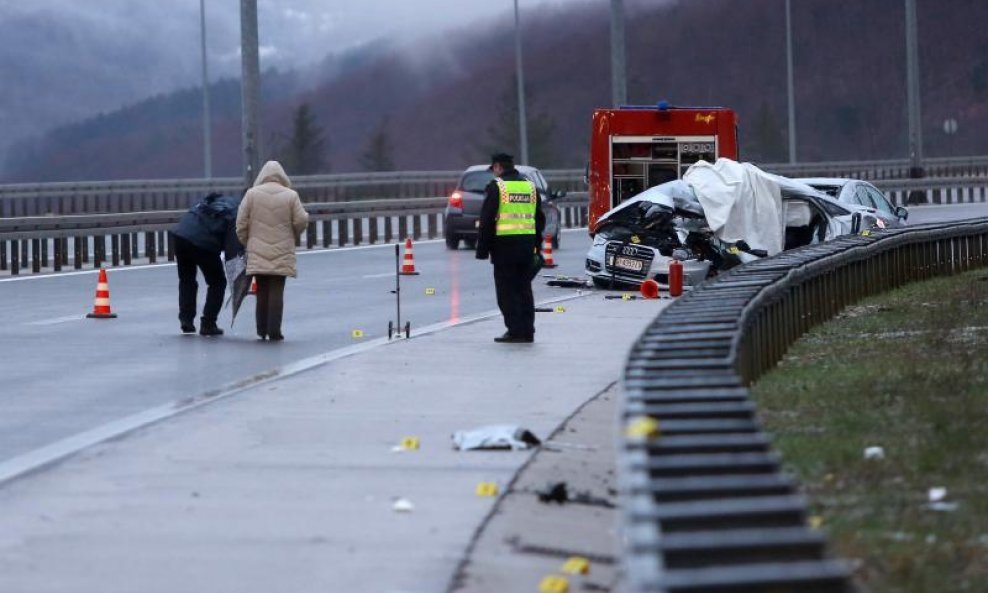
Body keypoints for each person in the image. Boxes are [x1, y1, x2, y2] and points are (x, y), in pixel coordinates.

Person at [475, 152, 545, 343]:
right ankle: (528, 330)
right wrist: (537, 246)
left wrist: (482, 249)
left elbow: (487, 220)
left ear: (498, 167)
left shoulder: (498, 187)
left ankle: (515, 330)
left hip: (504, 248)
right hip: (527, 246)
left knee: (507, 291)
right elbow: (539, 219)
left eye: (494, 169)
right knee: (524, 289)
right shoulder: (530, 187)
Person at [236, 160, 309, 341]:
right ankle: (275, 330)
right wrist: (293, 234)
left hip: (257, 249)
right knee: (277, 288)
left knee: (261, 290)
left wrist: (248, 241)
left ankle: (261, 330)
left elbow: (241, 223)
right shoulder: (291, 195)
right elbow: (301, 220)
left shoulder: (252, 195)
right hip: (282, 249)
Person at [170, 192, 242, 336]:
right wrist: (237, 275)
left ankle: (186, 320)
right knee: (218, 282)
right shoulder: (236, 212)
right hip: (203, 244)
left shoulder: (214, 199)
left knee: (187, 280)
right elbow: (231, 249)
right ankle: (208, 323)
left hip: (180, 236)